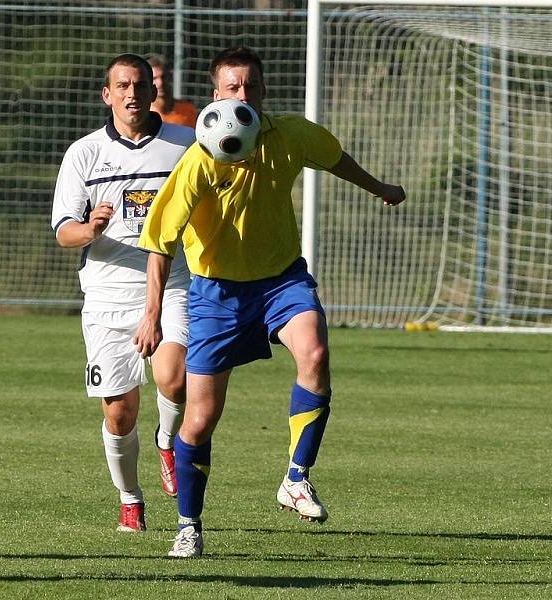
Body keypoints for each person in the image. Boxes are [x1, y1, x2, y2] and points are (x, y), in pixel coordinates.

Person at [134, 46, 406, 558]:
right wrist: (152, 315)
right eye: (232, 88)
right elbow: (159, 240)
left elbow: (333, 157)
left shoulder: (289, 134)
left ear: (263, 91)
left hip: (282, 280)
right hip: (217, 295)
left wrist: (378, 187)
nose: (243, 96)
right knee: (200, 419)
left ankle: (296, 477)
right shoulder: (197, 160)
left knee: (316, 354)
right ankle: (189, 525)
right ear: (215, 96)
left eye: (251, 87)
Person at [51, 53, 195, 533]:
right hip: (107, 294)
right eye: (122, 85)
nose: (132, 93)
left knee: (174, 378)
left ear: (154, 92)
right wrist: (90, 227)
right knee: (119, 410)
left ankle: (168, 442)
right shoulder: (84, 153)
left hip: (172, 283)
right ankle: (130, 498)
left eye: (139, 84)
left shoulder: (186, 144)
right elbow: (63, 231)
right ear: (107, 95)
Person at [148, 54, 199, 127]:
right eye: (154, 78)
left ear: (170, 77)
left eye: (163, 77)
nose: (160, 83)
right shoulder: (142, 114)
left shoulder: (188, 110)